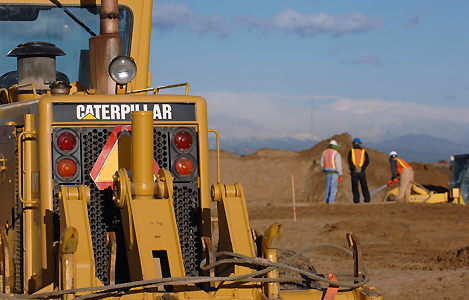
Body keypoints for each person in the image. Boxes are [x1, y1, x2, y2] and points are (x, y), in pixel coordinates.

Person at [347, 138, 370, 203]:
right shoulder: (363, 152)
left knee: (355, 187)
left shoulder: (351, 152)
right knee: (364, 186)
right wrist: (362, 168)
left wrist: (354, 168)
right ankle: (367, 199)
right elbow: (367, 161)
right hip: (361, 172)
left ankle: (356, 200)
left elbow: (349, 161)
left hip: (354, 172)